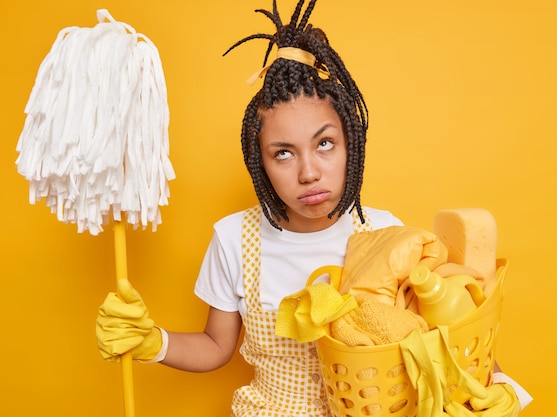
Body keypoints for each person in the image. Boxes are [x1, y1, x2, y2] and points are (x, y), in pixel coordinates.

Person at [96, 1, 531, 416]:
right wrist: (153, 343)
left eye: (325, 144)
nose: (308, 173)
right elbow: (216, 346)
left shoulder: (386, 234)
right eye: (283, 153)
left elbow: (442, 338)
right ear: (259, 161)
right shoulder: (233, 238)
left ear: (350, 146)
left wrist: (501, 388)